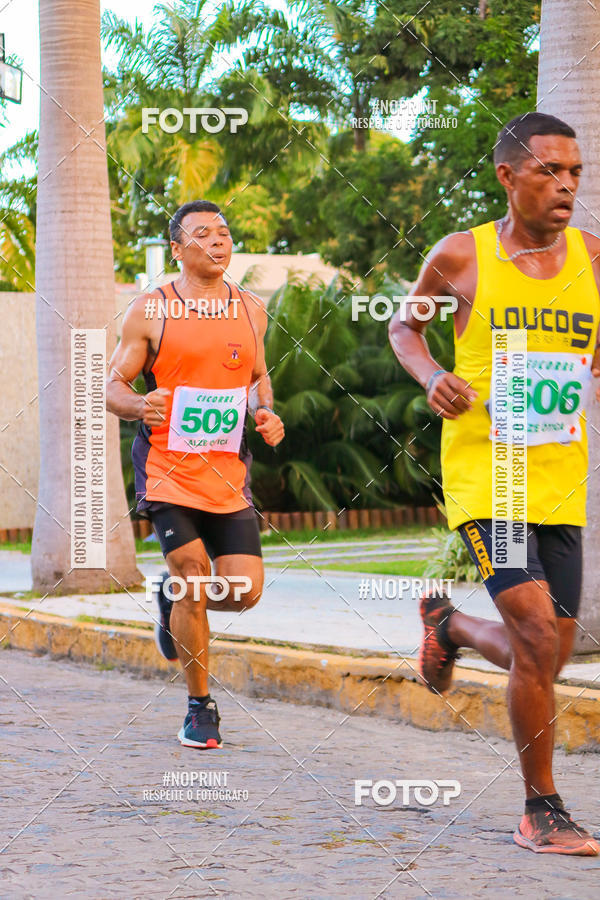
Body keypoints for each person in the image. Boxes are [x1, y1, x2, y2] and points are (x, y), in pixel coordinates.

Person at [389, 113, 600, 855]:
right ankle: (541, 808)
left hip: (559, 479)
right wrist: (433, 375)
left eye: (574, 171)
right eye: (549, 170)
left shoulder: (594, 258)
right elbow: (403, 328)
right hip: (488, 476)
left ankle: (451, 628)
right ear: (509, 177)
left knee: (548, 653)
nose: (567, 185)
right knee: (540, 637)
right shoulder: (462, 256)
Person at [107, 200, 284, 749]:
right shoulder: (151, 310)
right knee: (192, 574)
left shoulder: (251, 308)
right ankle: (199, 706)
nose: (217, 240)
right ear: (178, 248)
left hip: (226, 472)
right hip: (166, 467)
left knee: (243, 592)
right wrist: (140, 407)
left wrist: (265, 412)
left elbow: (258, 375)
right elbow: (111, 385)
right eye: (202, 233)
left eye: (224, 232)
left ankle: (169, 599)